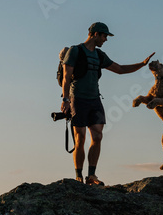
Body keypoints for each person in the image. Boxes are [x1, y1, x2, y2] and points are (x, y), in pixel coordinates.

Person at [60, 22, 154, 185]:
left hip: (95, 99)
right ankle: (78, 176)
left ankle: (91, 176)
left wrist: (142, 64)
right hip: (77, 99)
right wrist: (66, 100)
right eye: (104, 36)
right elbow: (66, 77)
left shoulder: (99, 55)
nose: (106, 39)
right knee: (80, 138)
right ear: (95, 34)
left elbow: (120, 69)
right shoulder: (75, 51)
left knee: (97, 136)